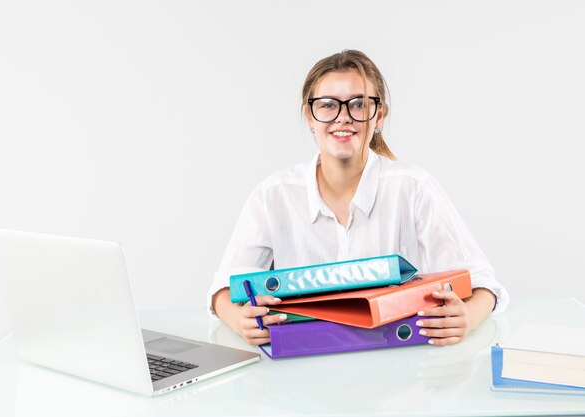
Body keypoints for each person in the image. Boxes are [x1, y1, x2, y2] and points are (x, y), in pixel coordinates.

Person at [207, 49, 508, 347]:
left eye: (359, 105)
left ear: (379, 115)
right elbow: (223, 288)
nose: (343, 118)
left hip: (399, 365)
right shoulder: (272, 195)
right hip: (303, 365)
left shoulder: (414, 187)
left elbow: (484, 283)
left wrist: (467, 316)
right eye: (327, 105)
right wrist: (238, 320)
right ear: (308, 116)